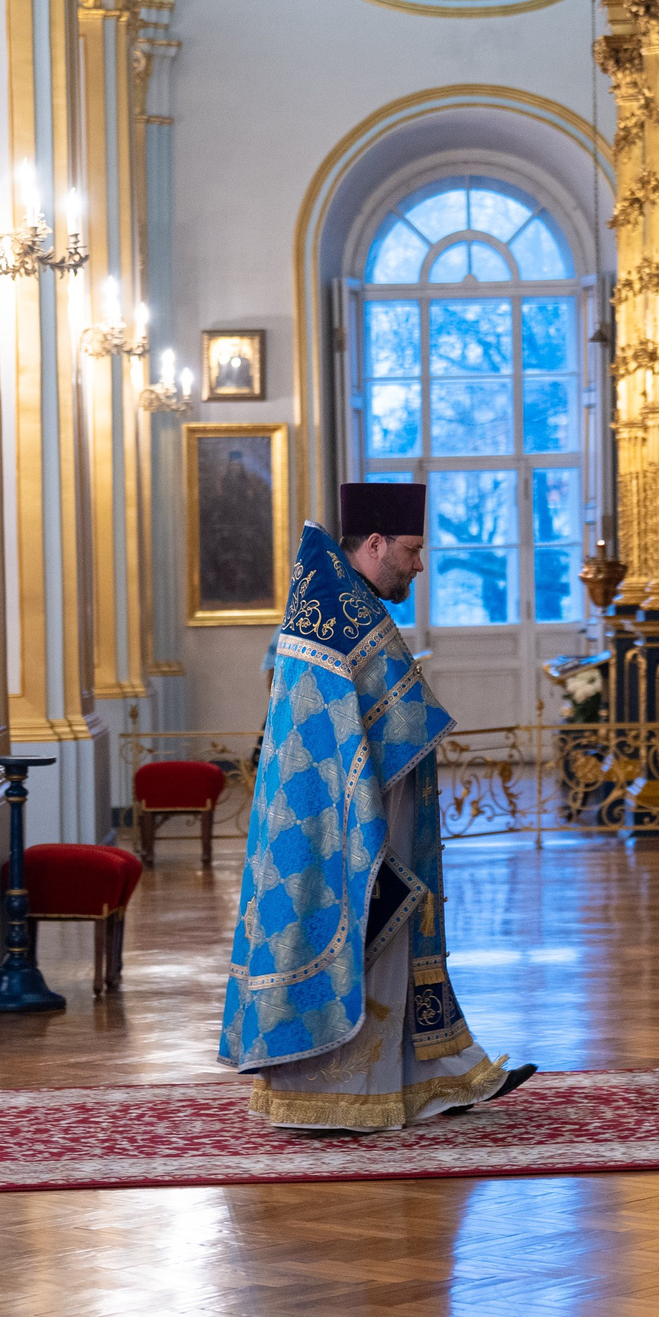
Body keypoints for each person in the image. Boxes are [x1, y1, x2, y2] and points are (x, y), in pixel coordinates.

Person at [219, 482, 535, 1130]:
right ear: (374, 544)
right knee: (372, 946)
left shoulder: (338, 601)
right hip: (348, 827)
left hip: (356, 815)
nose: (419, 565)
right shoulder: (340, 611)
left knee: (397, 949)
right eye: (413, 551)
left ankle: (439, 1076)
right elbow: (379, 725)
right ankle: (339, 1095)